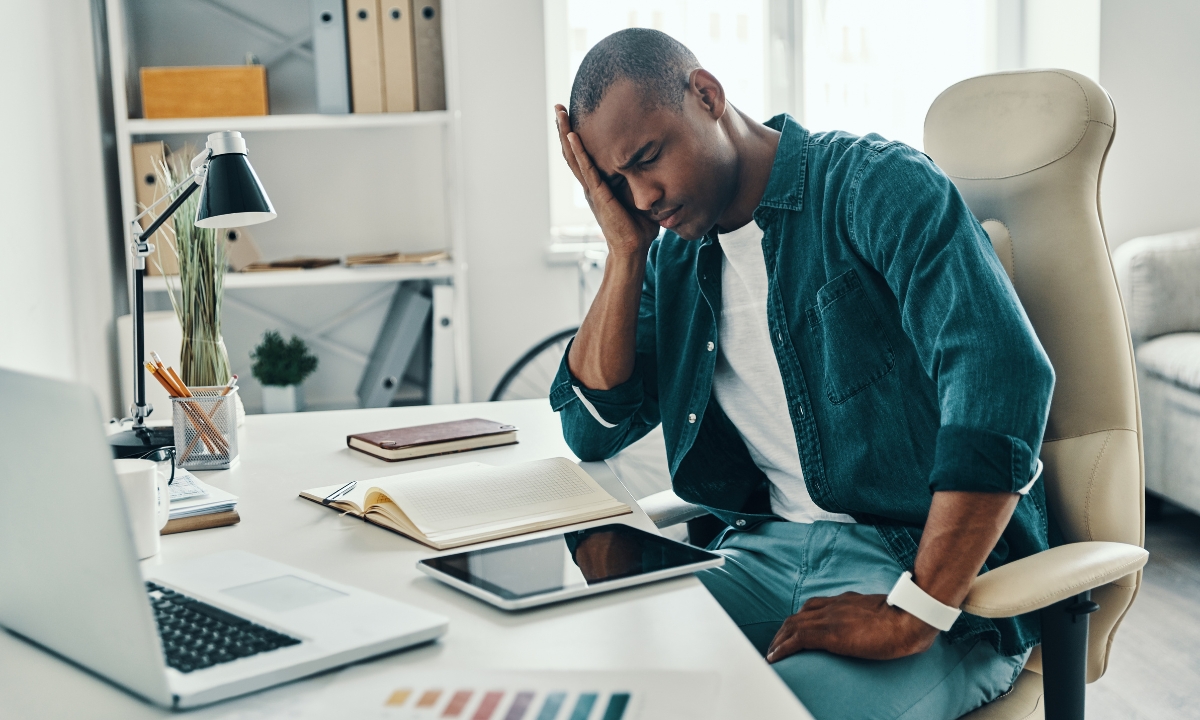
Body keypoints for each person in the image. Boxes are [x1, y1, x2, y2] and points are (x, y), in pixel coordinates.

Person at [548, 28, 1055, 720]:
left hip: (922, 571)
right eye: (616, 183)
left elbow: (1004, 379)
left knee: (761, 712)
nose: (642, 197)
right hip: (759, 556)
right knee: (580, 669)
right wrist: (624, 252)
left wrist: (917, 608)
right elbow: (591, 428)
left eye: (646, 159)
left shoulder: (874, 186)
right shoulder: (674, 258)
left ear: (707, 96)